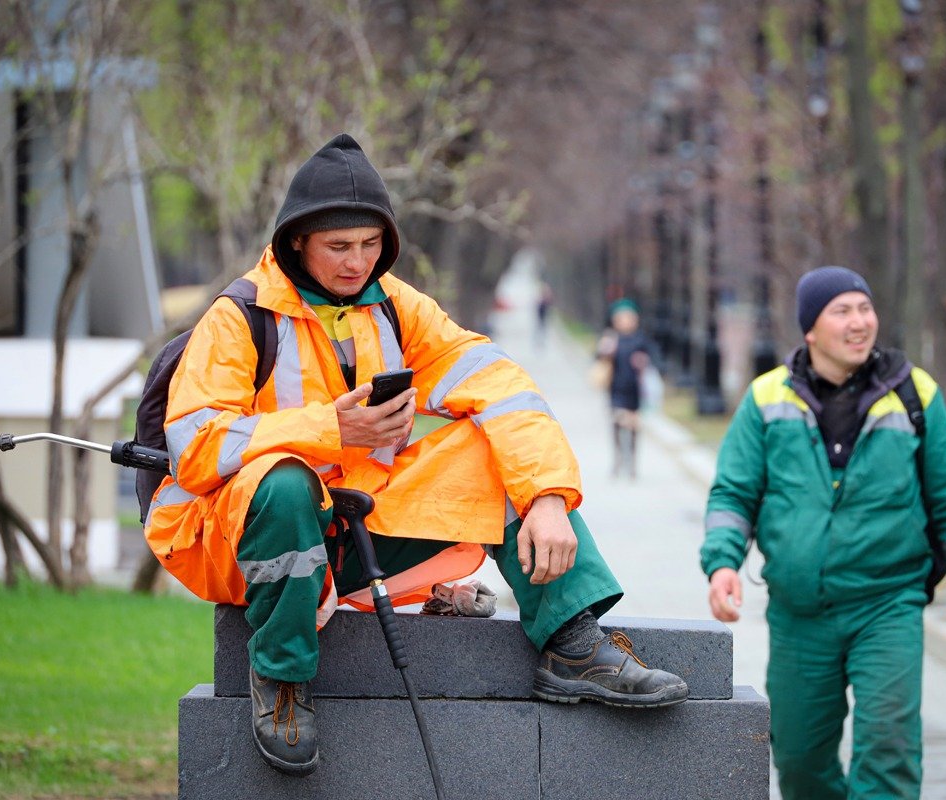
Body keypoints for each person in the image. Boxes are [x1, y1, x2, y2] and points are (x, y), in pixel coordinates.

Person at [145, 134, 688, 777]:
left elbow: (503, 389)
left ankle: (571, 642)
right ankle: (282, 680)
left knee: (491, 446)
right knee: (285, 481)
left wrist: (545, 500)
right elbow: (195, 444)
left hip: (355, 529)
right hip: (243, 543)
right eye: (339, 247)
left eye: (371, 245)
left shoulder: (399, 306)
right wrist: (331, 428)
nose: (357, 263)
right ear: (297, 242)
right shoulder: (237, 318)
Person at [699, 266, 946, 800]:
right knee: (798, 760)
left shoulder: (914, 393)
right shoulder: (767, 398)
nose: (859, 322)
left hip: (887, 605)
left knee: (888, 752)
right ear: (810, 328)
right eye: (842, 311)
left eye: (865, 308)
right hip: (799, 616)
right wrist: (722, 563)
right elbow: (733, 494)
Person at [594, 299, 659, 479]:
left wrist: (643, 361)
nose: (625, 321)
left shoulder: (640, 339)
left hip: (635, 391)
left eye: (628, 317)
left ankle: (631, 462)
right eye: (621, 318)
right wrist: (605, 351)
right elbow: (597, 359)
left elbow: (653, 358)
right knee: (616, 423)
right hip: (615, 389)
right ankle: (618, 459)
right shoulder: (611, 338)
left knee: (633, 427)